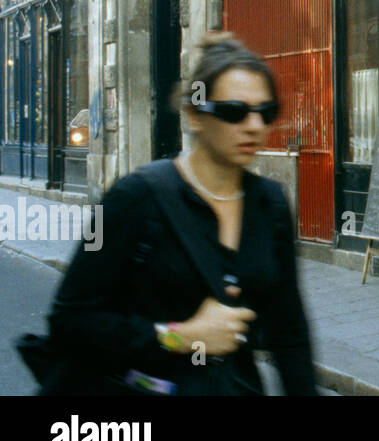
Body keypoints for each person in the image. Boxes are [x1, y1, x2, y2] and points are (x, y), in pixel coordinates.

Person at [42, 33, 317, 395]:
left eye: (265, 112)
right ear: (194, 114)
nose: (253, 125)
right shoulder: (132, 199)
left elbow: (291, 334)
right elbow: (69, 319)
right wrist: (178, 337)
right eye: (234, 111)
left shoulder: (271, 204)